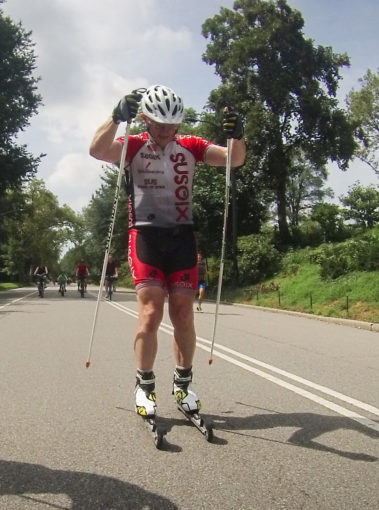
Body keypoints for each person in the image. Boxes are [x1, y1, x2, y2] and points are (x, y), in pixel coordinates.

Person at [88, 85, 245, 419]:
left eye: (171, 124)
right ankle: (144, 386)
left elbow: (235, 159)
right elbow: (98, 150)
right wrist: (116, 116)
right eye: (158, 123)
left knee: (183, 313)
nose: (164, 131)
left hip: (182, 237)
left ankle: (183, 383)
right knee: (150, 312)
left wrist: (238, 135)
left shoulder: (190, 145)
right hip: (145, 235)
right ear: (145, 119)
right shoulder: (133, 145)